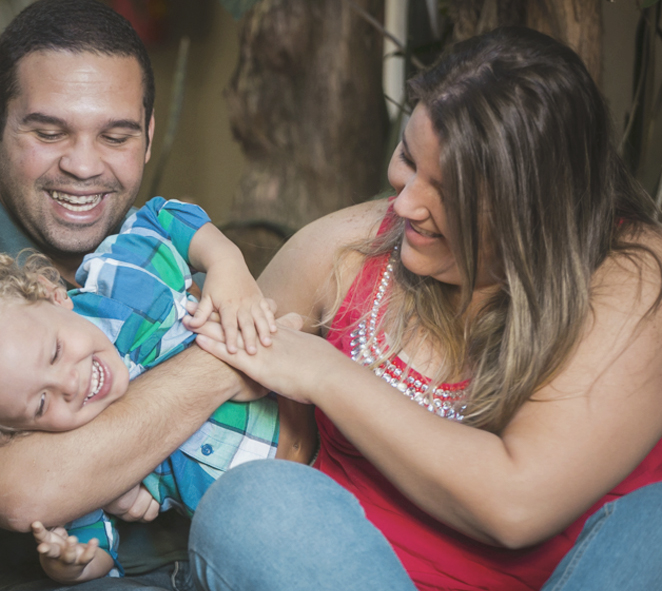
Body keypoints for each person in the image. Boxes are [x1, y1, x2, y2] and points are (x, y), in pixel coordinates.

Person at [0, 1, 314, 589]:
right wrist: (235, 359)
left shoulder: (142, 253)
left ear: (148, 138)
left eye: (116, 136)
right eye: (49, 132)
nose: (82, 165)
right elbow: (29, 493)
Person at [187, 26, 662, 591]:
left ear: (536, 211)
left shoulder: (631, 272)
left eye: (449, 189)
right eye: (408, 159)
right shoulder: (347, 249)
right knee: (257, 505)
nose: (406, 202)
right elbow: (187, 380)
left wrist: (325, 372)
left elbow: (516, 503)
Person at [0, 197, 283, 584]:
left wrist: (226, 263)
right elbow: (95, 552)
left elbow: (165, 215)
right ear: (16, 431)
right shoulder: (77, 453)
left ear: (52, 294)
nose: (69, 384)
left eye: (55, 352)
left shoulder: (124, 281)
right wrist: (69, 562)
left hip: (316, 414)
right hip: (269, 522)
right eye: (40, 403)